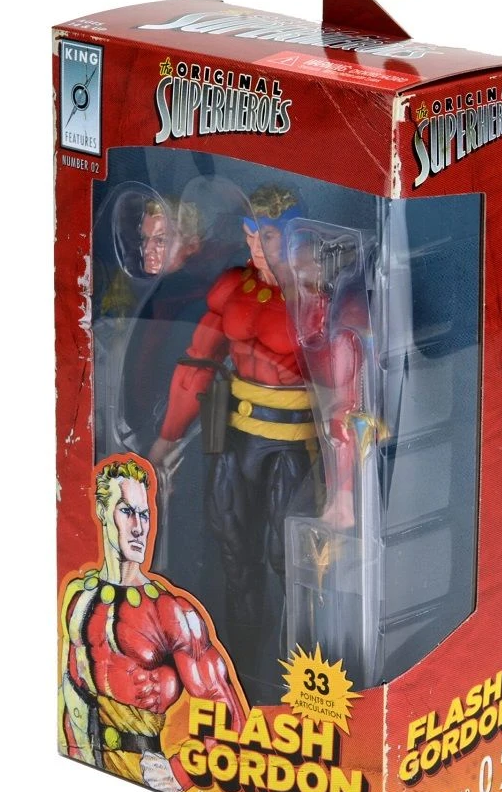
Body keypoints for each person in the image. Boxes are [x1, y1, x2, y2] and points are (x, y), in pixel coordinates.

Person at [147, 185, 361, 703]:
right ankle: (236, 677)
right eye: (249, 236)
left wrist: (344, 492)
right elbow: (196, 366)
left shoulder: (319, 302)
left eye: (267, 237)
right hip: (236, 443)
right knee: (233, 553)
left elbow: (347, 403)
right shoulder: (233, 289)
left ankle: (303, 687)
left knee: (290, 561)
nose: (256, 249)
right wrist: (164, 442)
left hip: (293, 450)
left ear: (294, 236)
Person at [59, 457, 247, 792]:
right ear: (102, 512)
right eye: (126, 511)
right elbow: (67, 688)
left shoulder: (169, 612)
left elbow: (228, 712)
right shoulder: (78, 597)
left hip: (142, 776)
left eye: (143, 515)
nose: (138, 527)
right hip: (80, 764)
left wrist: (182, 772)